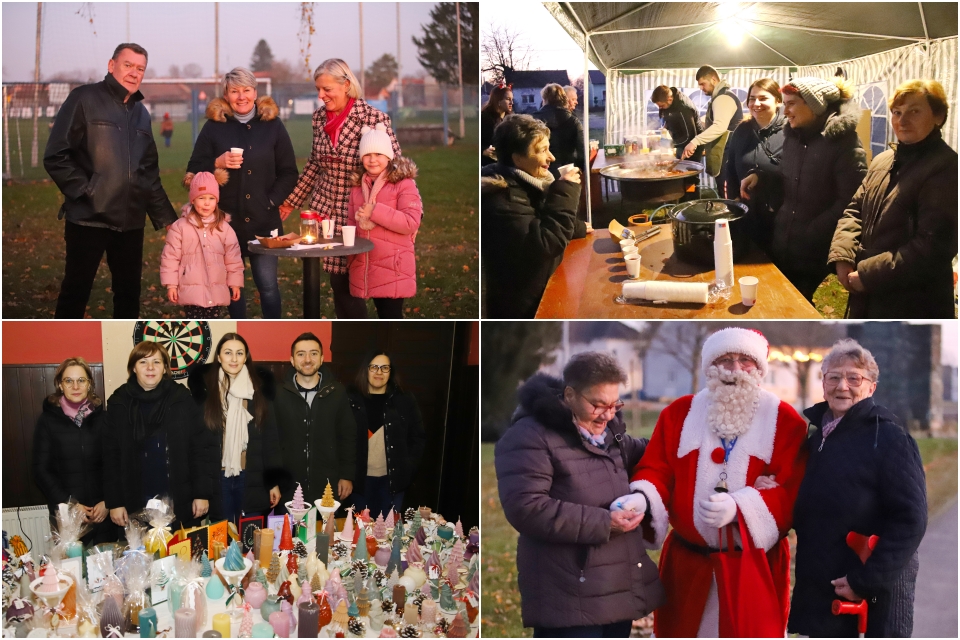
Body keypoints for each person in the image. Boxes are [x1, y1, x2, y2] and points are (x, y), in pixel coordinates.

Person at [616, 328, 808, 637]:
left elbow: (793, 492)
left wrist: (742, 507)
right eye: (726, 360)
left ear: (759, 369)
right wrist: (643, 496)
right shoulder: (679, 413)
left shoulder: (784, 421)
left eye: (745, 360)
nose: (734, 370)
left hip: (752, 567)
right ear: (710, 368)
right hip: (688, 566)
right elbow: (657, 469)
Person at [495, 352, 664, 637]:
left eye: (615, 404)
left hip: (616, 591)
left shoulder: (612, 432)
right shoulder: (530, 436)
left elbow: (656, 453)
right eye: (598, 405)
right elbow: (526, 507)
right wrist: (605, 522)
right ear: (570, 394)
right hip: (568, 593)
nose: (608, 414)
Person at [789, 339, 927, 637]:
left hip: (869, 597)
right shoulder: (816, 440)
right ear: (823, 382)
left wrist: (864, 581)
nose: (843, 386)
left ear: (871, 388)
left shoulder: (890, 439)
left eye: (854, 378)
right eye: (834, 377)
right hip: (822, 592)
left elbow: (910, 520)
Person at [44, 43, 177, 319]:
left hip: (130, 222)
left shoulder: (142, 113)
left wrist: (169, 221)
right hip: (88, 218)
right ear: (111, 65)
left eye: (140, 68)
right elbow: (56, 155)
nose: (134, 73)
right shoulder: (83, 98)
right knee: (75, 293)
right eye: (128, 65)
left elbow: (148, 171)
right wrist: (87, 190)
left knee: (129, 297)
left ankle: (128, 354)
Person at [279, 59, 402, 319]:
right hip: (330, 214)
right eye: (318, 89)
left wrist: (407, 211)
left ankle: (389, 338)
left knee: (378, 281)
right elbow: (314, 163)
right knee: (341, 284)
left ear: (346, 85)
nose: (321, 96)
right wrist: (291, 201)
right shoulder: (318, 118)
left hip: (364, 211)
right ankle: (356, 339)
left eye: (327, 89)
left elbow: (396, 169)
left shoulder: (374, 118)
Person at [828, 79, 958, 318]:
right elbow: (855, 210)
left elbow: (932, 247)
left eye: (914, 111)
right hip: (869, 294)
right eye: (897, 112)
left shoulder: (946, 168)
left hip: (913, 302)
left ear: (938, 116)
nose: (902, 120)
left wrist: (867, 274)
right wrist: (843, 256)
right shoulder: (883, 160)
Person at [186, 67, 299, 319]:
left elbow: (289, 172)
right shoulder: (214, 127)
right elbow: (193, 172)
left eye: (246, 90)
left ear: (255, 93)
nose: (241, 97)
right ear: (226, 95)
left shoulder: (273, 126)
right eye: (234, 91)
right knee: (233, 289)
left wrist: (270, 200)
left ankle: (273, 334)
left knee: (268, 286)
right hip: (225, 223)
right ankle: (239, 333)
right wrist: (218, 162)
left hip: (264, 222)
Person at [742, 76, 867, 301]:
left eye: (791, 103)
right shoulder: (793, 136)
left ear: (814, 106)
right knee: (777, 297)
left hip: (814, 248)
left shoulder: (843, 143)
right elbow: (787, 176)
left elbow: (852, 201)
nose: (785, 110)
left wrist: (813, 229)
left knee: (796, 303)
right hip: (784, 239)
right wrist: (760, 177)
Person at [480, 114, 587, 319]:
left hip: (543, 289)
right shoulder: (501, 198)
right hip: (523, 307)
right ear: (517, 158)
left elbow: (539, 220)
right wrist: (566, 189)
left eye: (549, 148)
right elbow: (545, 243)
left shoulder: (531, 181)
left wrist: (576, 227)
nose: (552, 158)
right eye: (542, 151)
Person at [104, 341, 218, 529]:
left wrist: (201, 493)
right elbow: (110, 456)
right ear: (133, 367)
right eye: (143, 362)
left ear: (165, 367)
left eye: (156, 362)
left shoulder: (182, 399)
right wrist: (115, 503)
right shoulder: (119, 403)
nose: (150, 368)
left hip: (179, 500)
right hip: (134, 502)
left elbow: (199, 449)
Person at [187, 333, 285, 526]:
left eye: (239, 353)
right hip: (218, 478)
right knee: (221, 539)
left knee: (250, 539)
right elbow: (198, 447)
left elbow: (271, 441)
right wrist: (201, 491)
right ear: (219, 357)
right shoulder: (206, 391)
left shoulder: (259, 391)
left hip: (252, 477)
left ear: (246, 357)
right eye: (228, 353)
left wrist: (273, 482)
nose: (234, 359)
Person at [33, 357, 116, 545]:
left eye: (81, 380)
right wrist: (71, 504)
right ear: (60, 385)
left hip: (102, 515)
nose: (75, 386)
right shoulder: (47, 421)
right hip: (66, 516)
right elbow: (40, 471)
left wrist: (108, 501)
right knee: (71, 572)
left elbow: (116, 464)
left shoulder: (104, 419)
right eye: (68, 381)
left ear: (89, 384)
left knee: (107, 572)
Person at [346, 124, 423, 319]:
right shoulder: (357, 186)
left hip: (392, 266)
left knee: (390, 317)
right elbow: (351, 222)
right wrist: (349, 257)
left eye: (378, 154)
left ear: (388, 156)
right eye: (367, 154)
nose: (372, 160)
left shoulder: (403, 184)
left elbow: (410, 222)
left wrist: (375, 211)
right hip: (364, 264)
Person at [274, 332, 357, 511]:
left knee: (325, 537)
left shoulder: (337, 392)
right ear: (292, 360)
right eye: (301, 354)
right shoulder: (278, 394)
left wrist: (347, 475)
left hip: (328, 486)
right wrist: (272, 481)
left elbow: (348, 436)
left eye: (313, 353)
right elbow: (271, 441)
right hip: (288, 487)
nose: (307, 359)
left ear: (322, 358)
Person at [347, 350, 426, 520]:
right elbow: (341, 439)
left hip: (392, 483)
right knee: (359, 535)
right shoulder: (350, 400)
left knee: (389, 536)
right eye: (374, 367)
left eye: (385, 368)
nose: (379, 372)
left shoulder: (404, 400)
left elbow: (418, 438)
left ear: (391, 372)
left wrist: (408, 469)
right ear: (365, 370)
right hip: (359, 483)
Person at [160, 170, 244, 319]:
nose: (207, 203)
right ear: (192, 200)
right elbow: (170, 257)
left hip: (216, 288)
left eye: (211, 198)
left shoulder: (224, 228)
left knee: (212, 324)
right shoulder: (180, 227)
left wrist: (235, 283)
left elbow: (233, 258)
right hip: (191, 289)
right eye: (202, 198)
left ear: (217, 200)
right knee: (195, 325)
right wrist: (171, 285)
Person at [726, 78, 787, 252]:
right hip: (746, 212)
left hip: (778, 215)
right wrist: (734, 199)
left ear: (778, 101)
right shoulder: (742, 130)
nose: (756, 103)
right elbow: (730, 168)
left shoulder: (790, 131)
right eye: (752, 98)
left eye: (763, 98)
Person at [681, 66, 744, 194]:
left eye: (703, 84)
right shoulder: (720, 97)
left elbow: (720, 126)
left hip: (728, 154)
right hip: (726, 153)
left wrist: (695, 141)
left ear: (714, 79)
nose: (701, 88)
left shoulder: (723, 97)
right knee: (725, 191)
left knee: (728, 193)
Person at [532, 83, 585, 178]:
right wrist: (580, 168)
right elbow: (582, 149)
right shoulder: (573, 120)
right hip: (567, 169)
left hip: (541, 169)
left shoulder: (534, 120)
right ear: (563, 99)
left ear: (544, 99)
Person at [651, 85, 704, 161]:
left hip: (692, 145)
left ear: (669, 100)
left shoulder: (684, 108)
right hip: (680, 142)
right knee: (678, 168)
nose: (660, 108)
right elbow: (666, 114)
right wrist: (665, 126)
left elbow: (690, 136)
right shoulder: (669, 97)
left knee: (687, 171)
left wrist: (670, 144)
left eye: (662, 106)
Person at [481, 83, 514, 166]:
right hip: (488, 164)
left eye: (512, 99)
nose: (511, 102)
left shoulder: (511, 118)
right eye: (508, 99)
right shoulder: (485, 118)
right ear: (498, 100)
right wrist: (483, 150)